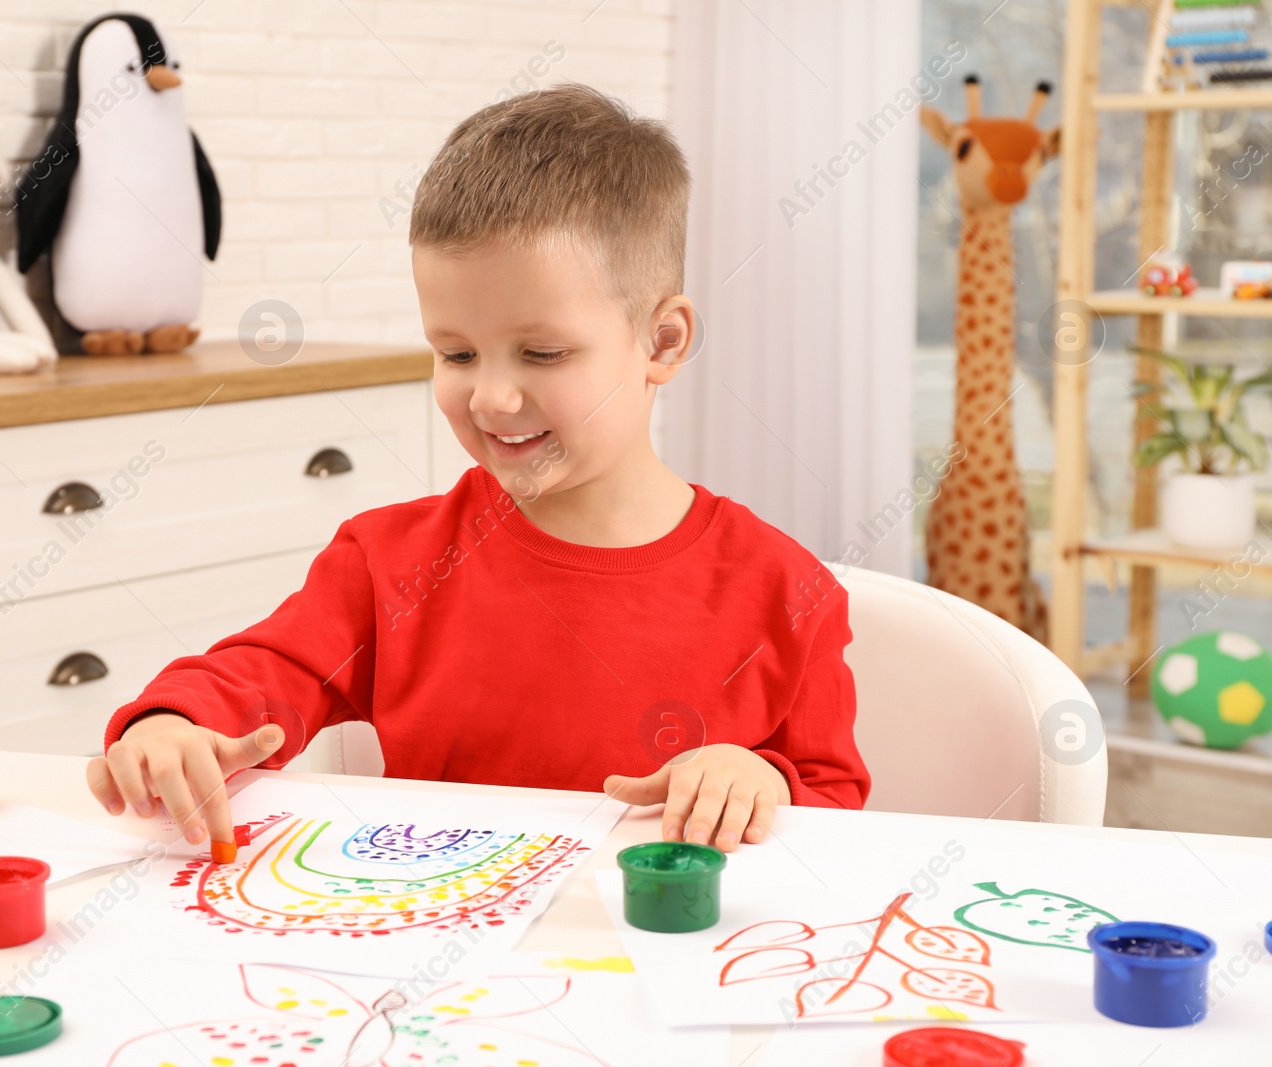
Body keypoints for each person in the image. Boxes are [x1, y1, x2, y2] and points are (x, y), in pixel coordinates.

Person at [87, 83, 870, 862]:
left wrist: (757, 776)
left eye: (543, 353)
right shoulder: (385, 562)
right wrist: (174, 724)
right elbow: (263, 672)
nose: (491, 395)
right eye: (456, 352)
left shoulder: (786, 592)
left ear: (662, 342)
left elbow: (836, 804)